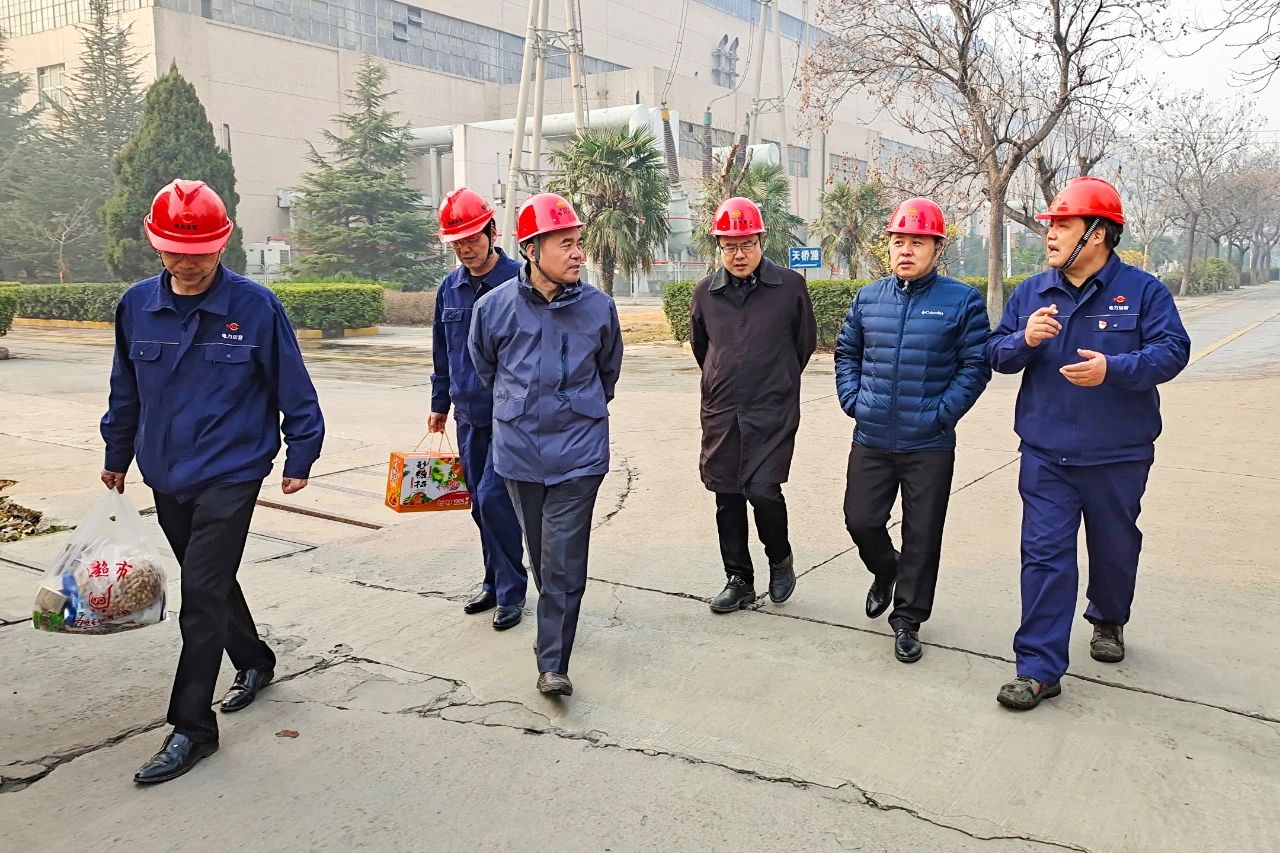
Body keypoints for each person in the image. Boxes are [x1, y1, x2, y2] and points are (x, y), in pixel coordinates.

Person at [100, 179, 325, 782]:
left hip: (233, 468)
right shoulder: (136, 306)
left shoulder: (254, 307)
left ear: (222, 244)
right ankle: (254, 659)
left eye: (199, 252)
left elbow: (293, 384)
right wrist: (117, 452)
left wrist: (302, 453)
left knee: (200, 593)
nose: (187, 263)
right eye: (175, 251)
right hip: (165, 470)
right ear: (155, 243)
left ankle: (193, 727)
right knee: (212, 582)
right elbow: (126, 389)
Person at [986, 176, 1190, 710]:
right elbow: (996, 354)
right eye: (1050, 225)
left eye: (1062, 225)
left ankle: (1108, 618)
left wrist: (1113, 369)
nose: (1050, 235)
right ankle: (1038, 668)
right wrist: (1024, 339)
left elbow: (1173, 351)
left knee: (1114, 547)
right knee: (1044, 557)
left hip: (1118, 455)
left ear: (1097, 233)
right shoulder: (1032, 292)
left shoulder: (1143, 292)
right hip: (1045, 454)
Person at [468, 192, 622, 697]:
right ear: (532, 250)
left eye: (579, 242)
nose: (578, 253)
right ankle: (555, 617)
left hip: (579, 454)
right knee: (541, 555)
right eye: (565, 244)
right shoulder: (493, 309)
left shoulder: (599, 308)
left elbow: (608, 373)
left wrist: (577, 408)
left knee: (563, 559)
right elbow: (485, 368)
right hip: (519, 455)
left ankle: (552, 662)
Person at [835, 198, 992, 663]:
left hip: (929, 442)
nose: (905, 250)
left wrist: (942, 413)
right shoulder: (869, 298)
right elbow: (847, 353)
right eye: (898, 241)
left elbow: (975, 365)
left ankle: (907, 619)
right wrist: (854, 401)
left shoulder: (961, 300)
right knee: (861, 520)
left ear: (937, 249)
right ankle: (887, 570)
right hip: (872, 436)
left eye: (917, 242)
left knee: (922, 534)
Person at [690, 196, 817, 614]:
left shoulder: (789, 287)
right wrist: (720, 381)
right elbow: (702, 348)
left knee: (763, 490)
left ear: (762, 240)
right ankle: (738, 580)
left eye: (746, 244)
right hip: (722, 410)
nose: (738, 254)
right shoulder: (706, 293)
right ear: (719, 247)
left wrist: (777, 380)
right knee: (726, 495)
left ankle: (780, 559)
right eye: (729, 246)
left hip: (771, 409)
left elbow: (803, 345)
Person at [429, 187, 527, 630]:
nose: (466, 249)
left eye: (471, 239)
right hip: (468, 416)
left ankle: (511, 592)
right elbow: (442, 351)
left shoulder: (519, 281)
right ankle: (493, 581)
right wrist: (439, 403)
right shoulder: (449, 288)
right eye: (457, 243)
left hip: (509, 418)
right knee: (478, 505)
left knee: (494, 500)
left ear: (491, 232)